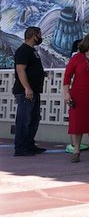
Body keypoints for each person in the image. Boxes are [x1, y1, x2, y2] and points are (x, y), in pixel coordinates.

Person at [62, 33, 89, 162]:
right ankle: (76, 150)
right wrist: (66, 94)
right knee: (77, 123)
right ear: (87, 45)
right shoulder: (77, 58)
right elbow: (67, 77)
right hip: (78, 95)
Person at [13, 26, 45, 157]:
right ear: (33, 35)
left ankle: (29, 144)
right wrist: (27, 88)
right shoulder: (23, 51)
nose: (40, 37)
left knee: (34, 119)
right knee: (24, 120)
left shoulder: (32, 51)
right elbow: (20, 70)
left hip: (34, 90)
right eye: (39, 34)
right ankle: (20, 147)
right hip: (25, 91)